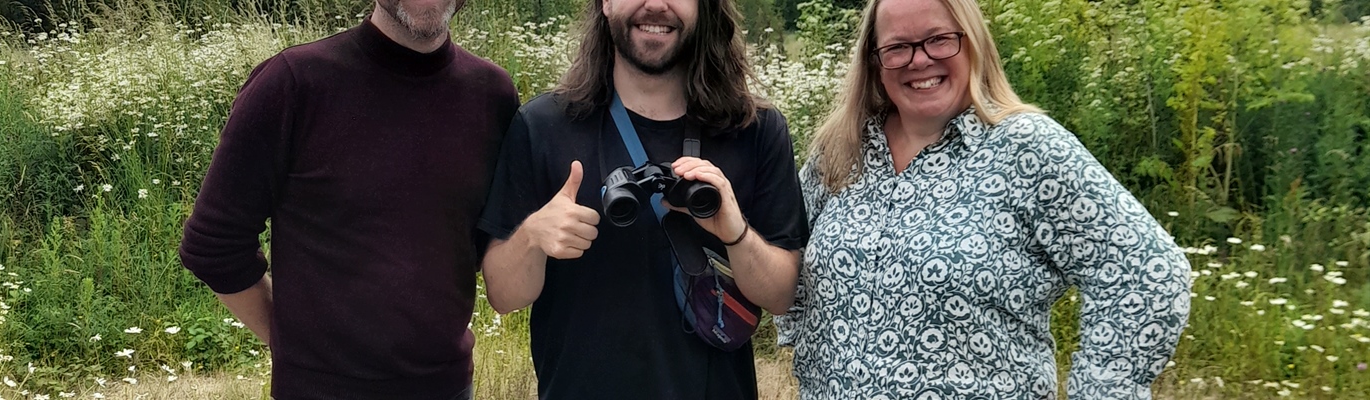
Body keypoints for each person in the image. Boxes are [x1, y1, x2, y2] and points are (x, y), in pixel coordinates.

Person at [776, 0, 1192, 398]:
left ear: (972, 40)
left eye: (939, 39)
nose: (920, 60)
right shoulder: (841, 150)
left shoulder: (1025, 148)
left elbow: (1148, 272)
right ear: (873, 61)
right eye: (898, 47)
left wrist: (1102, 389)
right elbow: (789, 258)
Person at [177, 0, 518, 398]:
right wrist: (297, 346)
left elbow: (480, 246)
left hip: (448, 388)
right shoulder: (293, 84)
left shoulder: (492, 95)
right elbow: (213, 247)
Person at [476, 0, 807, 398]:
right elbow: (503, 294)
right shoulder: (545, 126)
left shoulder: (755, 130)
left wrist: (736, 234)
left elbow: (780, 295)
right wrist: (532, 236)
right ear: (605, 4)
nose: (655, 6)